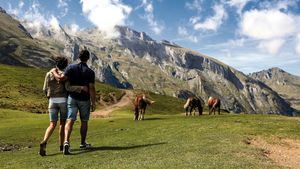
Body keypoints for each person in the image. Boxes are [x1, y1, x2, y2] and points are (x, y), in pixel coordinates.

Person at [40, 57, 88, 156]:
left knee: (52, 124)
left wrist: (49, 98)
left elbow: (45, 88)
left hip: (52, 101)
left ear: (56, 63)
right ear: (65, 65)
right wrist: (81, 88)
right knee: (62, 124)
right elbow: (68, 87)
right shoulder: (65, 74)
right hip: (63, 101)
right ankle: (62, 146)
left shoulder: (48, 74)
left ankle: (44, 141)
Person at [52, 49, 96, 155]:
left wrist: (53, 71)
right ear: (88, 58)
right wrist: (93, 102)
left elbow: (62, 79)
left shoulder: (71, 68)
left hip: (72, 98)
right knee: (84, 121)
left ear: (78, 57)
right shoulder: (90, 72)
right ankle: (82, 143)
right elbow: (91, 88)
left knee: (70, 120)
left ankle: (66, 142)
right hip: (84, 99)